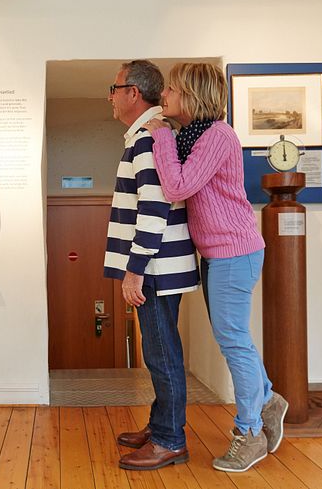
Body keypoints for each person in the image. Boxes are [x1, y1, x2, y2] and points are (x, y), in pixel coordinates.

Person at [143, 62, 289, 473]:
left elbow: (177, 186)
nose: (164, 96)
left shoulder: (216, 136)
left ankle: (250, 432)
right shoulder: (195, 136)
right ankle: (267, 400)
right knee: (234, 337)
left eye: (171, 89)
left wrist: (162, 137)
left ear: (190, 95)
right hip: (217, 254)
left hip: (233, 252)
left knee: (233, 341)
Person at [103, 60, 200, 471]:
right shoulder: (148, 136)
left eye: (115, 86)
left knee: (161, 355)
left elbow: (155, 209)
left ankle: (169, 440)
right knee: (161, 351)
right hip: (159, 265)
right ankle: (162, 424)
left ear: (133, 93)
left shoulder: (147, 138)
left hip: (155, 268)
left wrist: (134, 269)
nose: (110, 95)